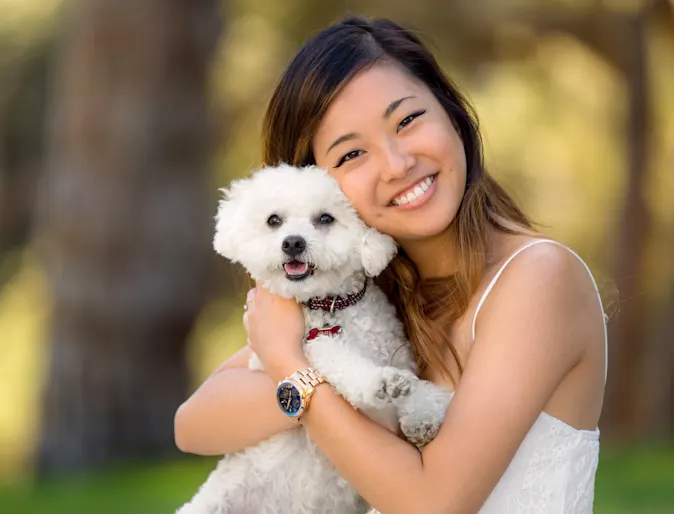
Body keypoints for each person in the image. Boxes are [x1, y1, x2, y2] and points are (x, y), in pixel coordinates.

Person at [174, 16, 608, 514]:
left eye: (407, 121)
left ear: (453, 115)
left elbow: (434, 503)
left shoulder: (537, 278)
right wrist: (308, 377)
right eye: (353, 153)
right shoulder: (378, 299)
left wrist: (295, 369)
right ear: (320, 189)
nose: (397, 163)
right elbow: (194, 424)